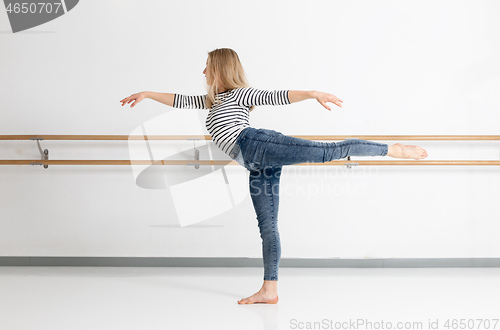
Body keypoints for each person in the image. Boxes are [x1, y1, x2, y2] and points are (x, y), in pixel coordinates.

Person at [120, 48, 428, 305]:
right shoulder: (213, 100)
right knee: (267, 226)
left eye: (207, 66)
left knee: (324, 151)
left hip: (257, 143)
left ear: (219, 68)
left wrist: (312, 93)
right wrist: (147, 94)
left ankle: (390, 149)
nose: (203, 71)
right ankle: (270, 289)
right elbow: (179, 100)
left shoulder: (242, 93)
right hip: (254, 163)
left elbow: (277, 96)